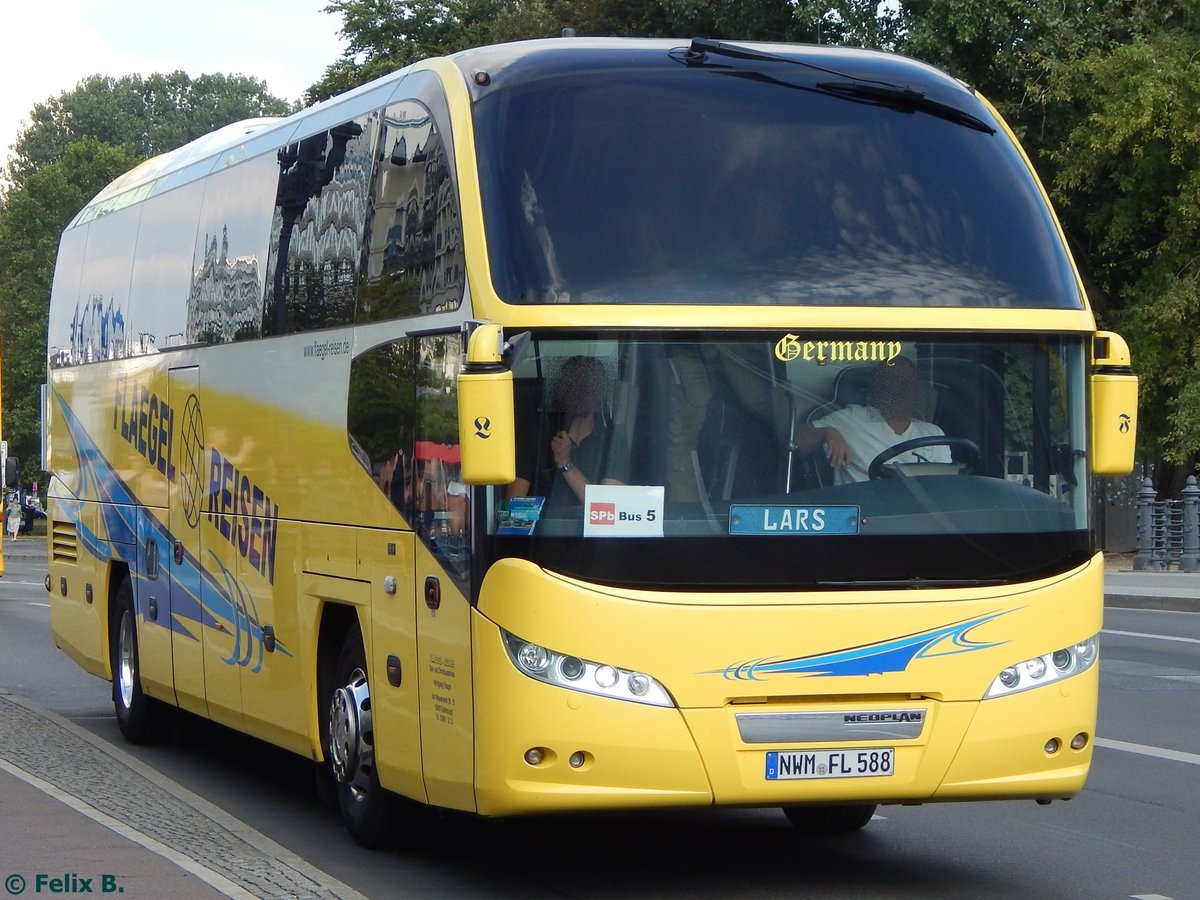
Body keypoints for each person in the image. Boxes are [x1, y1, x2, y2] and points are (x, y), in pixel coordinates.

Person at [792, 357, 950, 484]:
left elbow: (943, 485)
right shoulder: (853, 417)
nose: (901, 390)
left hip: (916, 515)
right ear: (878, 388)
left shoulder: (932, 432)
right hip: (864, 514)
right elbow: (794, 442)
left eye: (908, 384)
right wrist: (827, 433)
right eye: (892, 383)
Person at [508, 355, 628, 512]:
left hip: (593, 534)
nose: (579, 392)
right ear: (562, 390)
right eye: (572, 384)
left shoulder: (612, 441)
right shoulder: (536, 434)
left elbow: (609, 509)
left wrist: (565, 464)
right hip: (540, 532)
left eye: (586, 385)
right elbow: (512, 506)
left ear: (600, 391)